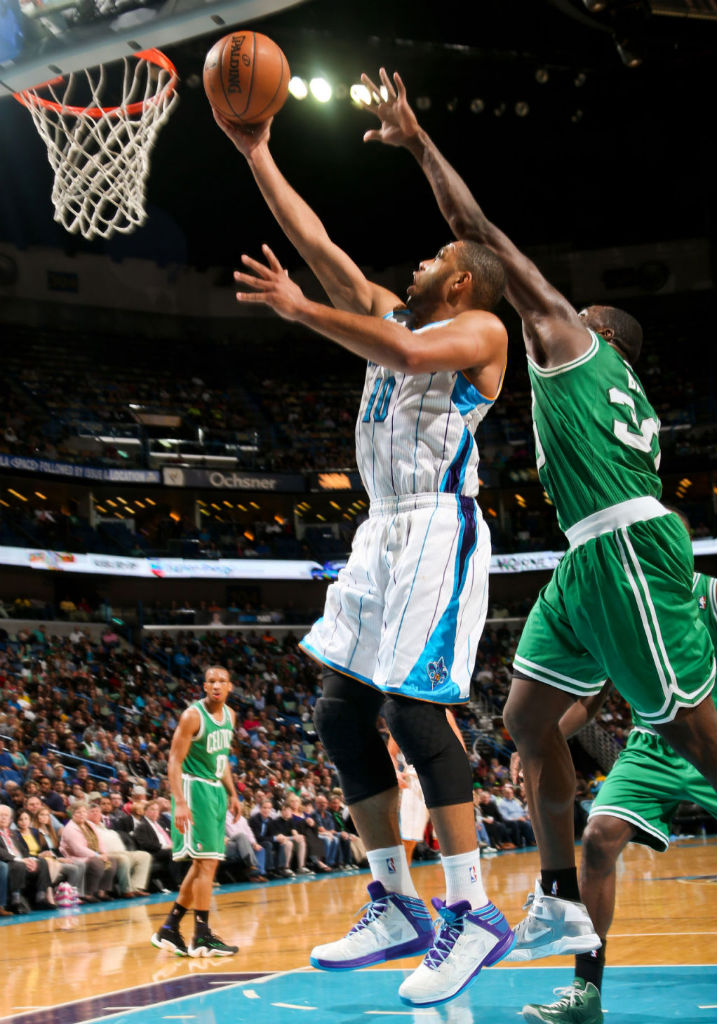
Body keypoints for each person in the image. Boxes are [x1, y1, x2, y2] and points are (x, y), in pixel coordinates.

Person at [360, 67, 717, 962]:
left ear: (595, 331)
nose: (547, 307)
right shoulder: (610, 391)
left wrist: (418, 143)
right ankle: (558, 899)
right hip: (586, 560)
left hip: (628, 549)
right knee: (525, 720)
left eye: (572, 308)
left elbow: (475, 231)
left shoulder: (571, 339)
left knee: (692, 735)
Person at [215, 93, 514, 1009]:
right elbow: (317, 246)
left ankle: (474, 912)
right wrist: (254, 148)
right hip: (378, 529)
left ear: (459, 281)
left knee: (417, 717)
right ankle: (395, 900)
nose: (416, 264)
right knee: (339, 715)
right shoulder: (399, 316)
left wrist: (301, 314)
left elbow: (395, 347)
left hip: (434, 525)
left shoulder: (477, 333)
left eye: (432, 258)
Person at [522, 569, 717, 1023]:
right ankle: (585, 993)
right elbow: (591, 697)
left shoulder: (706, 592)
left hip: (708, 738)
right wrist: (538, 740)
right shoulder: (624, 604)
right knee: (598, 837)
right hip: (651, 745)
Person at [151, 665, 240, 958]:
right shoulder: (192, 715)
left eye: (222, 681)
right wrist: (180, 802)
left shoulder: (230, 716)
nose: (216, 685)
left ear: (230, 687)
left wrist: (233, 793)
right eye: (211, 681)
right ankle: (201, 936)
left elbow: (222, 757)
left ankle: (170, 928)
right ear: (204, 686)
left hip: (215, 790)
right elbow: (174, 762)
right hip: (194, 789)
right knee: (206, 865)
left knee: (204, 864)